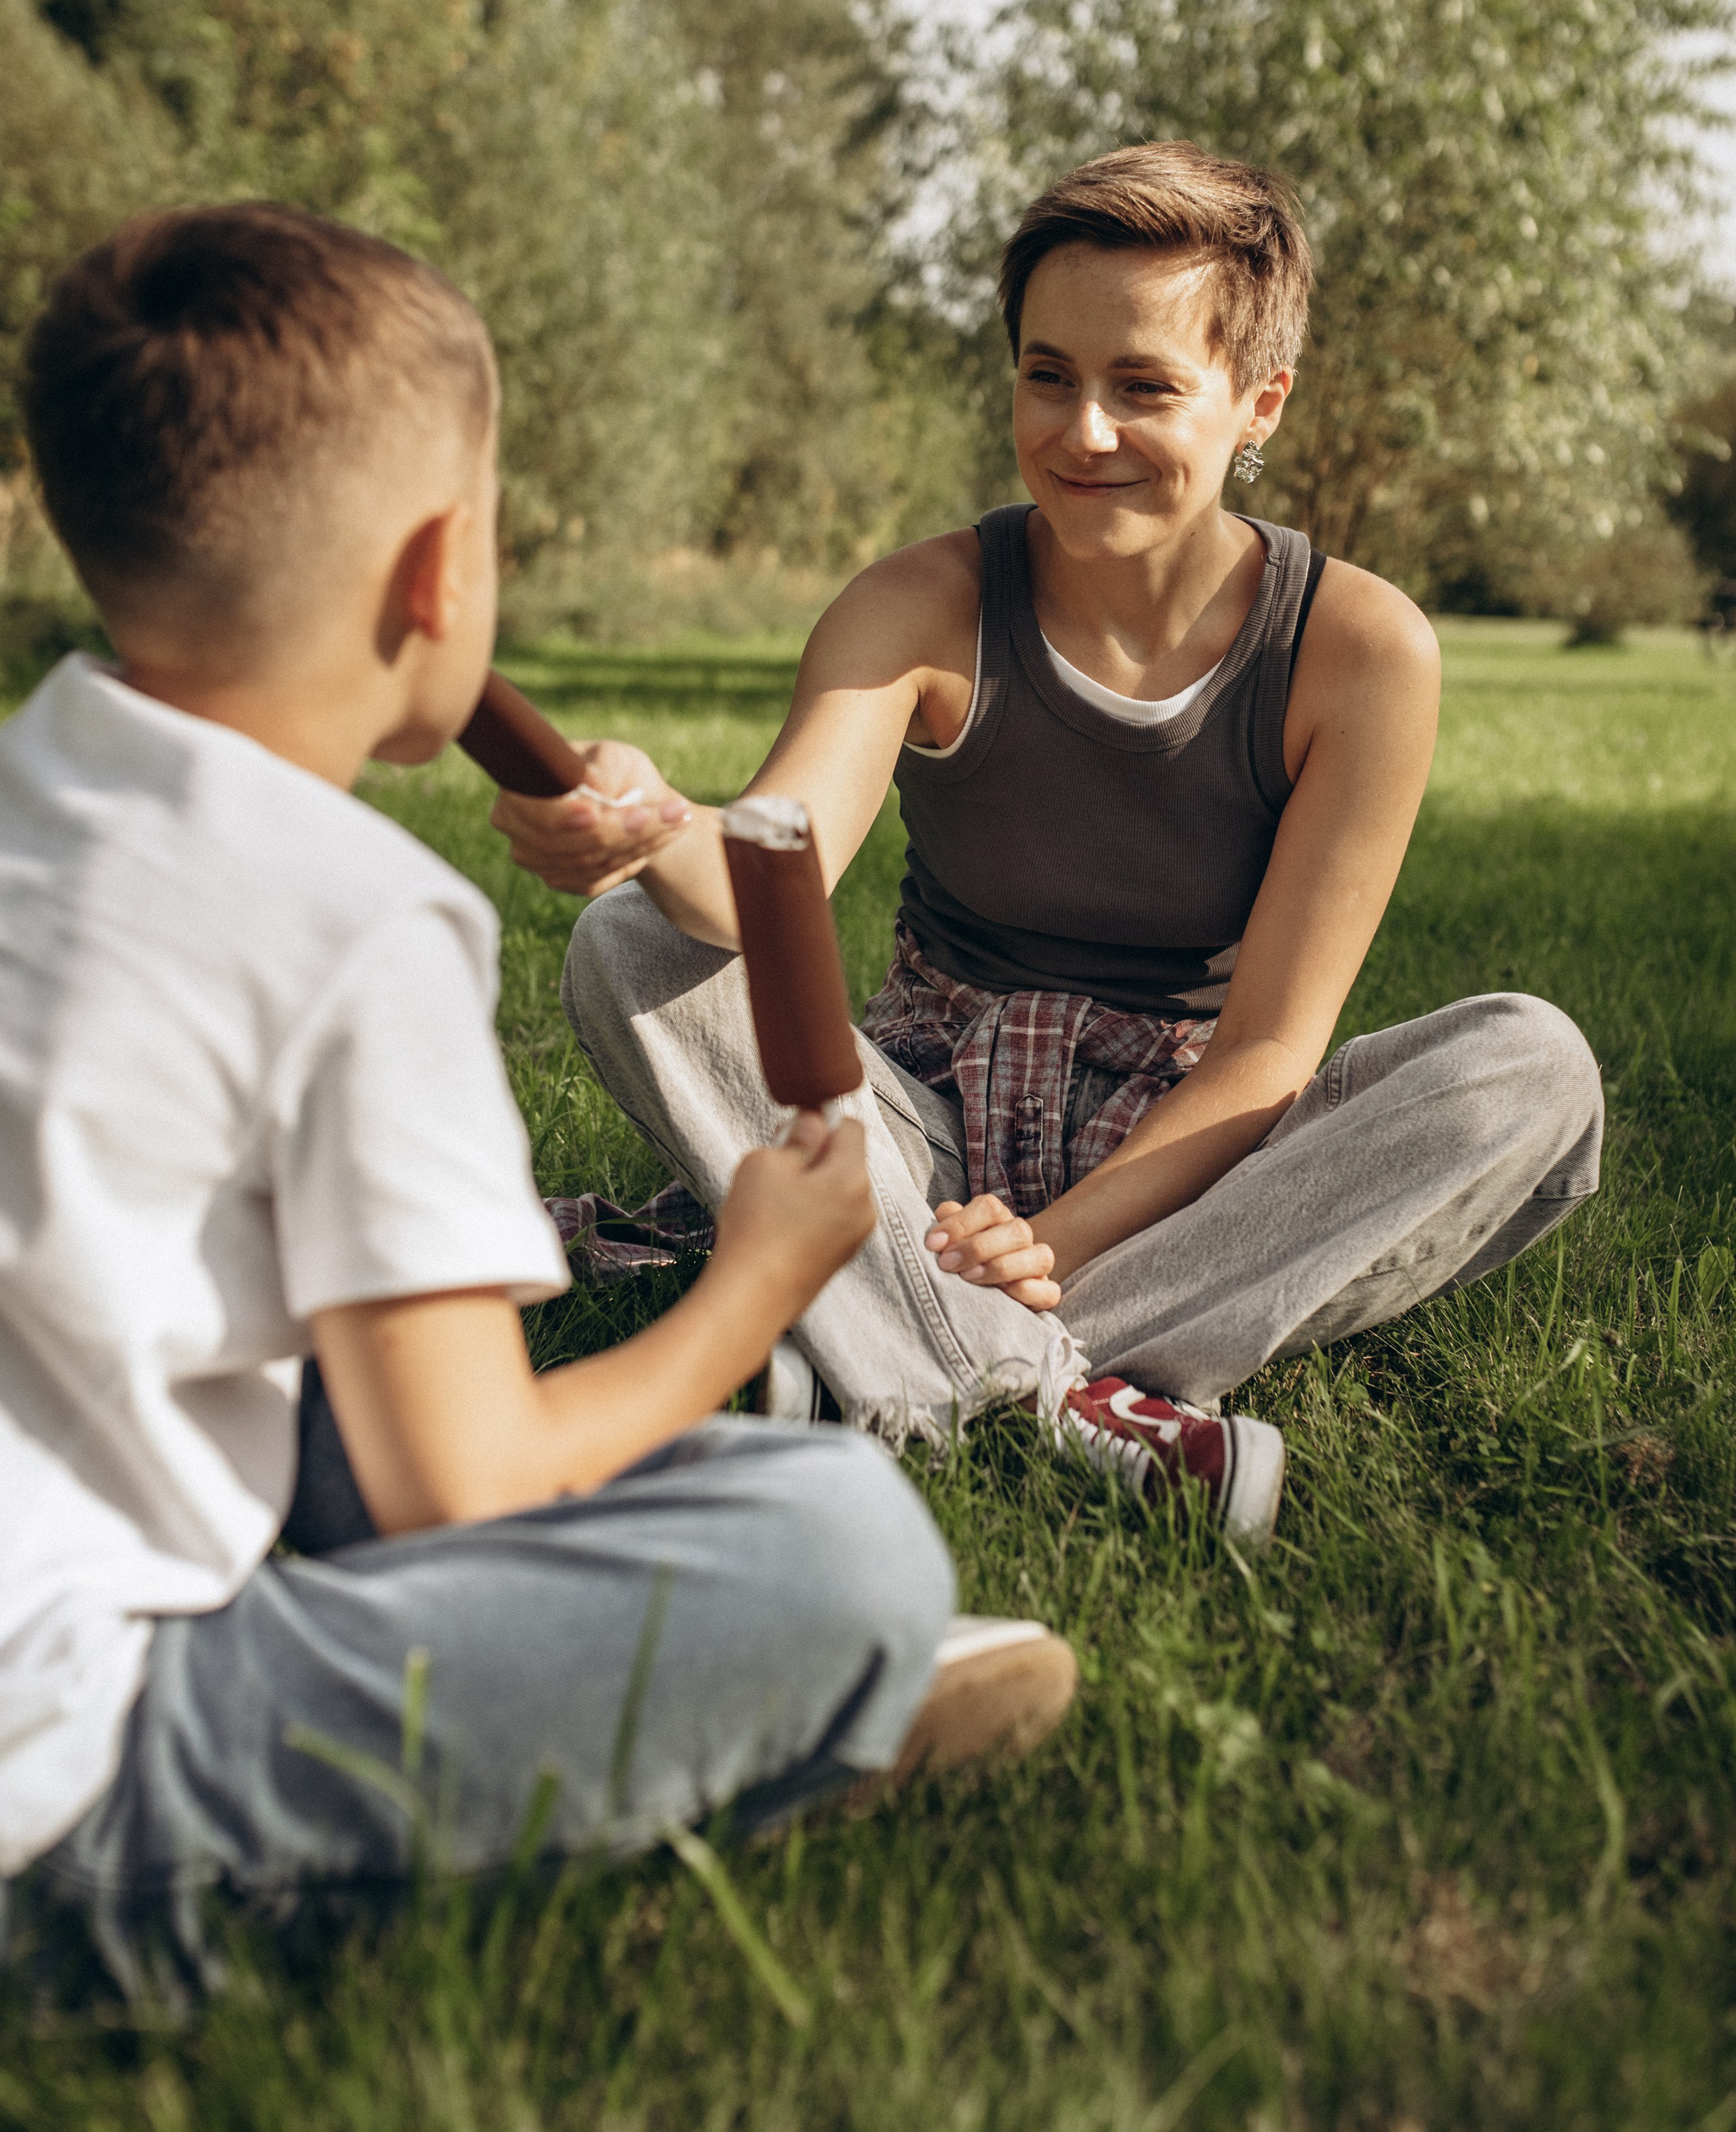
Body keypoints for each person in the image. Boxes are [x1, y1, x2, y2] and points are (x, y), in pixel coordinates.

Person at [0, 205, 1077, 1990]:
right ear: (441, 575)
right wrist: (757, 1282)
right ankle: (728, 1718)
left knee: (342, 1399)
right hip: (68, 1799)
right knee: (840, 1544)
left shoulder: (38, 790)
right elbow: (460, 1478)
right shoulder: (355, 917)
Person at [494, 143, 1606, 1541]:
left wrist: (1058, 1237)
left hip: (1177, 1163)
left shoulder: (1360, 649)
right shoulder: (922, 603)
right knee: (632, 942)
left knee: (1530, 1072)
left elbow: (1269, 1049)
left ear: (1256, 401)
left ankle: (867, 1341)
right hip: (918, 1118)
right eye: (1045, 374)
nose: (1080, 430)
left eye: (1141, 386)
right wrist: (652, 821)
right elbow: (763, 881)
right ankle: (1045, 1387)